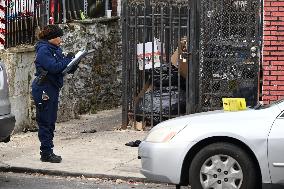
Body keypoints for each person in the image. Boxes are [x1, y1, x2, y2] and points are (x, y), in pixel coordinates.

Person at [32, 24, 77, 163]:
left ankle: (48, 150)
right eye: (59, 37)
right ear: (52, 38)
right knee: (45, 121)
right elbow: (54, 67)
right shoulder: (43, 50)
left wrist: (73, 62)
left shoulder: (55, 49)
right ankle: (46, 153)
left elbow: (63, 69)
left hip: (52, 87)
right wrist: (67, 60)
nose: (61, 39)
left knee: (51, 121)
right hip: (44, 88)